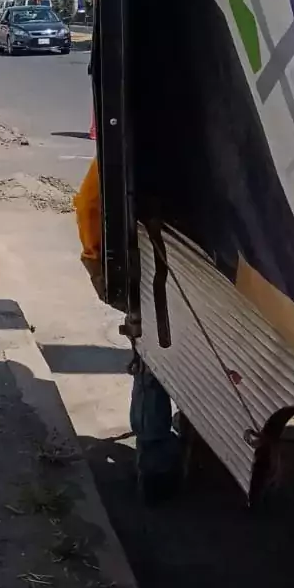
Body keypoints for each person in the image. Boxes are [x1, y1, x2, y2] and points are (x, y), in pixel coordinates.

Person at [75, 152, 181, 503]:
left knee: (152, 366)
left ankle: (156, 472)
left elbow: (89, 203)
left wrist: (97, 262)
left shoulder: (133, 133)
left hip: (150, 270)